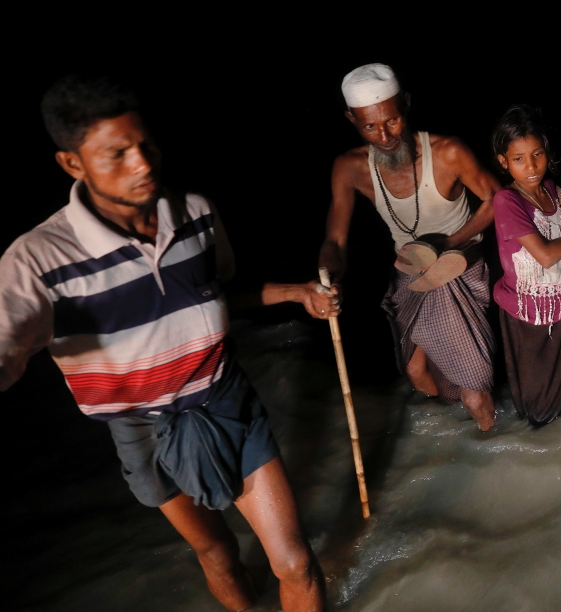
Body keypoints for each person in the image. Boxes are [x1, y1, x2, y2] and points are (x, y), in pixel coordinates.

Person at [0, 76, 331, 611]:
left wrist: (296, 292)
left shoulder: (195, 212)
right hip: (143, 428)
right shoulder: (36, 261)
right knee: (218, 552)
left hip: (227, 402)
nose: (143, 164)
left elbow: (216, 292)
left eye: (146, 145)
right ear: (72, 164)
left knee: (293, 561)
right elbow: (6, 342)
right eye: (116, 155)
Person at [319, 64, 501, 431]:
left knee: (474, 392)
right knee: (416, 373)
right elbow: (335, 240)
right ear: (351, 119)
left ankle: (492, 443)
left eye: (392, 120)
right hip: (410, 274)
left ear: (406, 105)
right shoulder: (349, 167)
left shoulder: (447, 151)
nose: (384, 135)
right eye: (369, 126)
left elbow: (496, 199)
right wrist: (328, 277)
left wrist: (449, 242)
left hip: (459, 269)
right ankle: (453, 443)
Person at [490, 105, 561, 425]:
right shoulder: (507, 201)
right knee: (540, 403)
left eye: (537, 154)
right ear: (503, 162)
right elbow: (548, 255)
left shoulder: (551, 189)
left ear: (546, 151)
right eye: (519, 159)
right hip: (529, 314)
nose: (531, 165)